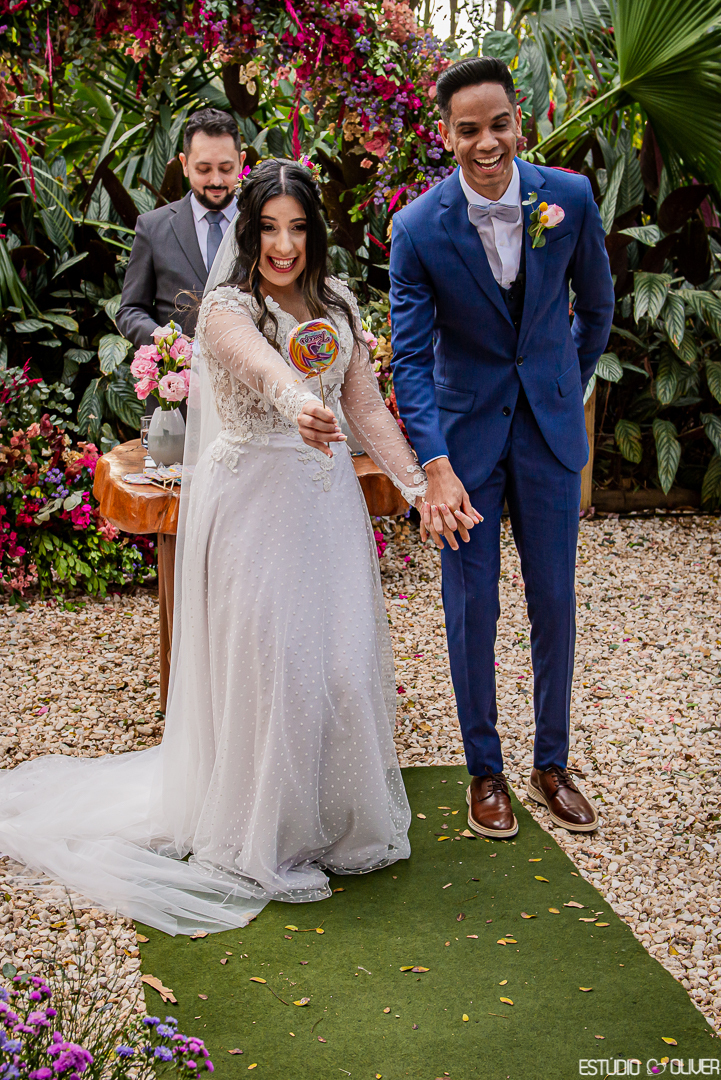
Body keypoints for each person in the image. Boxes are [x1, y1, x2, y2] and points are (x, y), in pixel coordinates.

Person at [0, 159, 440, 936]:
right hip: (256, 505)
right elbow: (266, 371)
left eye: (297, 227)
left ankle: (338, 823)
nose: (283, 245)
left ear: (314, 231)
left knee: (341, 663)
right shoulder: (225, 308)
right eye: (268, 228)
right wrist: (301, 404)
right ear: (248, 233)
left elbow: (366, 407)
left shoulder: (337, 302)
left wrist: (418, 488)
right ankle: (262, 834)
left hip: (327, 505)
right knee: (275, 667)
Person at [389, 57, 614, 839]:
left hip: (549, 435)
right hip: (464, 450)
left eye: (498, 125)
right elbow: (409, 362)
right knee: (471, 607)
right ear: (445, 134)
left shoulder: (569, 198)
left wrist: (561, 384)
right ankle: (483, 772)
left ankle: (551, 764)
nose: (486, 143)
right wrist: (435, 465)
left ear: (520, 122)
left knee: (553, 600)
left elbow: (597, 305)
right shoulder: (417, 227)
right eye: (468, 130)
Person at [117, 108, 244, 347]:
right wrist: (160, 337)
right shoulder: (152, 227)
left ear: (241, 162)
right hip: (181, 368)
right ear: (184, 164)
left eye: (226, 169)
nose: (216, 180)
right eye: (203, 169)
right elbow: (130, 310)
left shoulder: (261, 224)